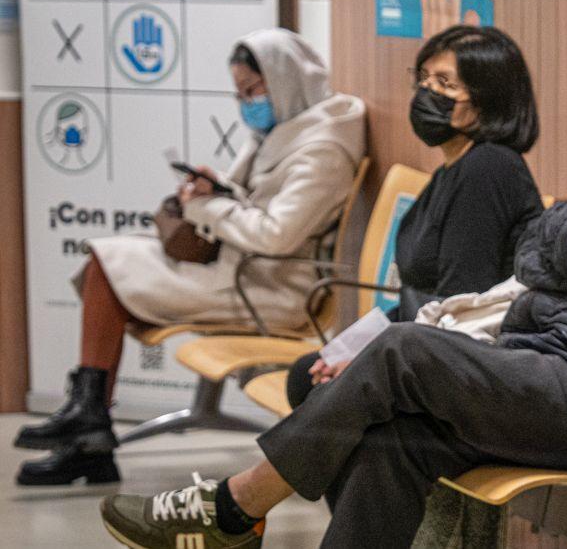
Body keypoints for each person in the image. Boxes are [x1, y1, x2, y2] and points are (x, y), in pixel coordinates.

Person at [96, 14, 567, 549]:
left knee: (406, 351)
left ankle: (234, 508)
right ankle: (236, 516)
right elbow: (539, 246)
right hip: (559, 365)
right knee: (393, 434)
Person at [14, 29, 366, 486]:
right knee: (107, 261)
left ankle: (89, 426)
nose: (246, 103)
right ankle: (89, 422)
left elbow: (278, 234)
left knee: (108, 263)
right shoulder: (286, 126)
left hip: (269, 288)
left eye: (253, 91)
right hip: (240, 269)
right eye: (239, 93)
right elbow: (257, 202)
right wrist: (217, 187)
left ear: (283, 81)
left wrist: (207, 207)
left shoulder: (323, 149)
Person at [288, 24, 544, 407]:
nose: (428, 92)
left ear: (488, 99)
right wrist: (350, 346)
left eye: (445, 83)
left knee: (321, 389)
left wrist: (369, 357)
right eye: (424, 79)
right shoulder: (451, 170)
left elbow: (459, 303)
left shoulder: (488, 170)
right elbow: (416, 297)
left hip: (470, 358)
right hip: (425, 336)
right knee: (311, 371)